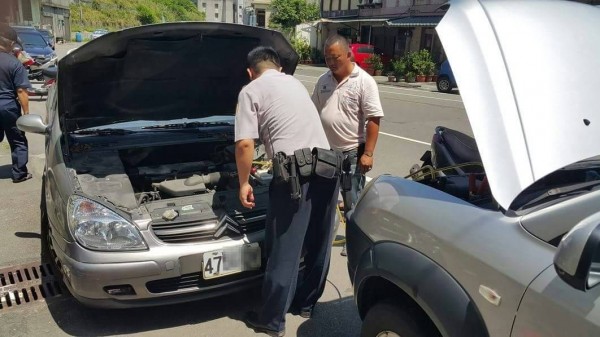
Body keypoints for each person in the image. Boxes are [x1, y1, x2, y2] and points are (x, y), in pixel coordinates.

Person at [235, 46, 340, 337]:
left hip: (294, 176)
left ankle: (271, 321)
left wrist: (244, 182)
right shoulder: (295, 82)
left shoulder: (250, 90)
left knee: (284, 248)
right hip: (327, 167)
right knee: (318, 240)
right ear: (279, 67)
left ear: (250, 72)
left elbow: (245, 144)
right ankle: (305, 304)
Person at [312, 35, 384, 256]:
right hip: (327, 152)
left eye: (335, 57)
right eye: (327, 58)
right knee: (326, 199)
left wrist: (368, 153)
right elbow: (313, 110)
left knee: (353, 199)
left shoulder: (364, 81)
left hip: (354, 151)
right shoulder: (323, 80)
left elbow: (374, 119)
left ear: (348, 55)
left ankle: (353, 241)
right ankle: (325, 237)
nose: (331, 62)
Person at [0, 24, 31, 183]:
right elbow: (21, 92)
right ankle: (19, 174)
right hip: (8, 107)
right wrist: (26, 115)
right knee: (17, 139)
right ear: (11, 44)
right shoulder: (14, 63)